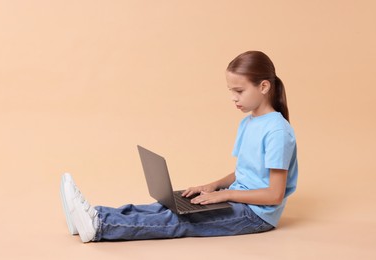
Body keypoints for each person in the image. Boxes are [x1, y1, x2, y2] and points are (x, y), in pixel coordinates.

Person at [60, 50, 298, 243]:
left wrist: (225, 194)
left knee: (181, 221)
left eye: (239, 91)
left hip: (255, 215)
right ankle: (94, 214)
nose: (233, 98)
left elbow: (274, 194)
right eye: (231, 91)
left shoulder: (277, 131)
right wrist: (212, 186)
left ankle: (99, 225)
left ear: (264, 87)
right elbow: (246, 170)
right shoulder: (249, 122)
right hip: (238, 200)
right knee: (169, 206)